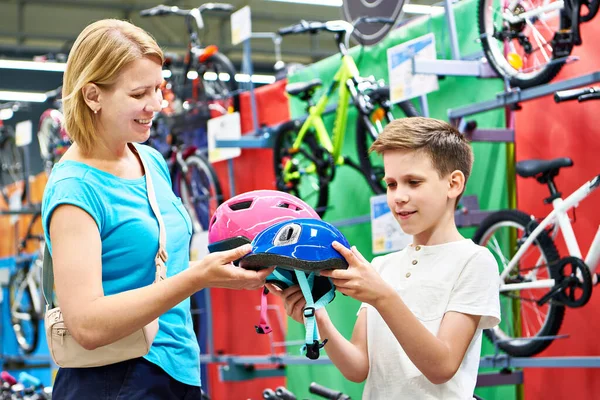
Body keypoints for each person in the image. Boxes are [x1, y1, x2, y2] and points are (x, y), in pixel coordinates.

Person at [41, 19, 273, 400]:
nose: (156, 104)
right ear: (92, 95)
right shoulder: (75, 190)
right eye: (138, 94)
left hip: (178, 371)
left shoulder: (150, 160)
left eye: (157, 88)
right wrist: (198, 278)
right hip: (112, 381)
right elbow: (87, 325)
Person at [268, 117, 501, 399]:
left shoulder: (474, 261)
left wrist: (383, 297)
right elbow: (358, 367)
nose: (398, 196)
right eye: (391, 184)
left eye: (413, 182)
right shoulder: (382, 266)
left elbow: (442, 366)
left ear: (453, 184)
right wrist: (317, 317)